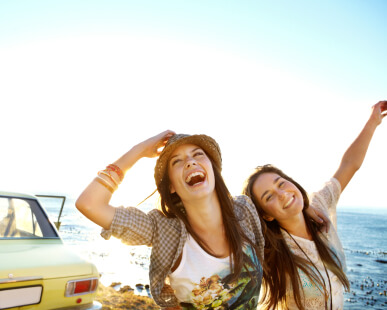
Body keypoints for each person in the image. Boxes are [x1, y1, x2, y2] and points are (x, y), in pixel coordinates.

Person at [76, 131, 265, 309]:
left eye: (198, 154)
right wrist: (139, 151)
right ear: (172, 186)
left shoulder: (244, 210)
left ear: (213, 169)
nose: (190, 162)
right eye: (177, 161)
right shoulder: (162, 229)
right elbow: (89, 204)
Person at [241, 100, 387, 310]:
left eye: (281, 183)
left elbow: (349, 165)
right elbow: (221, 212)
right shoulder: (268, 249)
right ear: (266, 215)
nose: (282, 194)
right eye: (269, 197)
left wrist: (373, 122)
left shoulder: (319, 207)